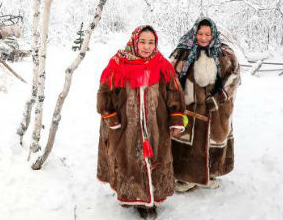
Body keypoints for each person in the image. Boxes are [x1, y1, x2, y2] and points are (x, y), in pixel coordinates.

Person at [97, 25, 186, 219]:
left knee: (154, 159)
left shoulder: (162, 64)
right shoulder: (118, 63)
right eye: (143, 42)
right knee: (128, 160)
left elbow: (175, 93)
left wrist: (176, 118)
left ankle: (148, 203)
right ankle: (130, 195)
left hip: (157, 125)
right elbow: (105, 92)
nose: (147, 47)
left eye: (151, 42)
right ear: (134, 42)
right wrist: (110, 116)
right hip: (126, 125)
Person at [169, 18, 240, 192]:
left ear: (213, 33)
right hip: (189, 108)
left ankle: (210, 173)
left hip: (216, 110)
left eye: (207, 34)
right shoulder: (182, 52)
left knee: (211, 139)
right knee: (188, 140)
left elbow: (235, 77)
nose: (203, 38)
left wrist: (219, 97)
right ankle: (186, 178)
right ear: (195, 32)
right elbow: (169, 77)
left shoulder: (225, 53)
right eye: (200, 33)